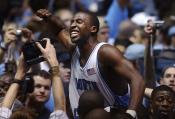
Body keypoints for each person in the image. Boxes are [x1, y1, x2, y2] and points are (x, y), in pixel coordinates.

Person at [36, 9, 145, 119]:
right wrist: (49, 18)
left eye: (79, 22)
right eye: (72, 22)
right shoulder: (74, 49)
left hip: (114, 114)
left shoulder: (105, 52)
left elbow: (137, 79)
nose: (73, 25)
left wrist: (131, 113)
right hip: (84, 115)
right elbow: (59, 29)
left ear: (93, 29)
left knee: (91, 100)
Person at [0, 38, 68, 119]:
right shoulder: (17, 108)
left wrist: (19, 74)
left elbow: (3, 112)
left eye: (46, 88)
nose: (42, 91)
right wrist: (54, 63)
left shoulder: (48, 113)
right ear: (29, 87)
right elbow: (60, 113)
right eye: (38, 86)